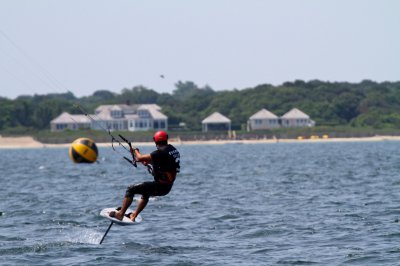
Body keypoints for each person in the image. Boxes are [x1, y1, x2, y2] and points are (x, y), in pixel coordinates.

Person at [110, 130, 180, 221]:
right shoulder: (172, 149)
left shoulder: (160, 152)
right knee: (146, 192)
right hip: (167, 186)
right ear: (166, 139)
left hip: (161, 186)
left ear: (156, 141)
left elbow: (139, 158)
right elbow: (163, 162)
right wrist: (148, 162)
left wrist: (135, 150)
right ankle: (133, 216)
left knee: (131, 189)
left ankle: (120, 214)